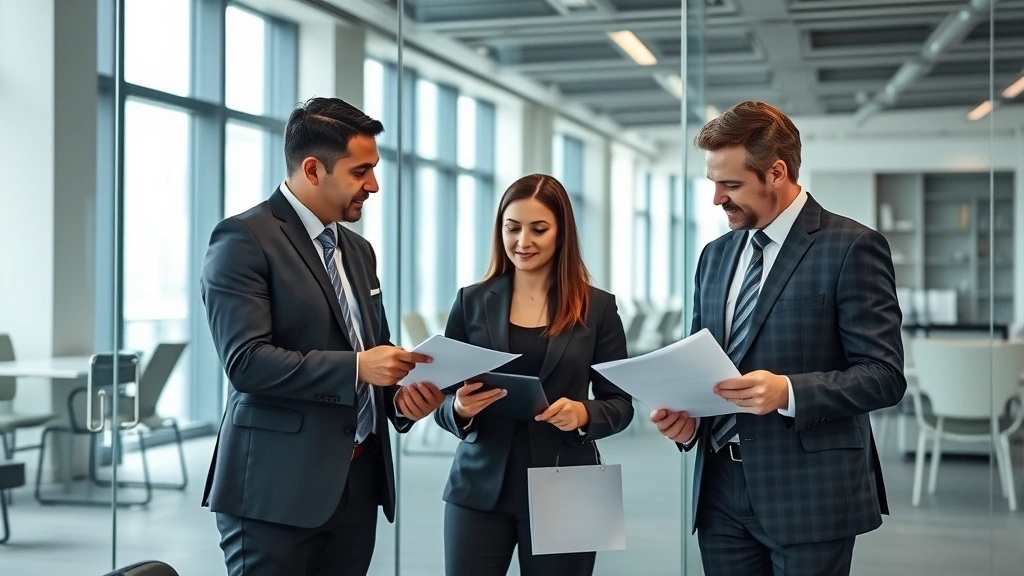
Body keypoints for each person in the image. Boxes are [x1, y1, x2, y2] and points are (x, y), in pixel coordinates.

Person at [651, 101, 906, 576]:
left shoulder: (850, 247)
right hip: (719, 490)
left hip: (808, 493)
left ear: (777, 172)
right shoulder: (715, 256)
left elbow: (884, 376)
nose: (716, 200)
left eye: (730, 185)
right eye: (713, 184)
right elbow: (701, 362)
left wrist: (787, 391)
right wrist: (685, 418)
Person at [200, 96, 445, 576]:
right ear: (313, 170)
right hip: (275, 491)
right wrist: (357, 367)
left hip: (356, 483)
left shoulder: (358, 249)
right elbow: (246, 362)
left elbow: (377, 351)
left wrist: (400, 400)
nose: (373, 185)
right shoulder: (243, 240)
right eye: (360, 172)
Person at [433, 174, 634, 576]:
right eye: (513, 228)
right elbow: (440, 395)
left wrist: (583, 415)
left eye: (538, 229)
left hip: (568, 485)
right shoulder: (470, 302)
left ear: (562, 233)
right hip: (478, 485)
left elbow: (621, 404)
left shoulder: (597, 309)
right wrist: (458, 408)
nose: (523, 241)